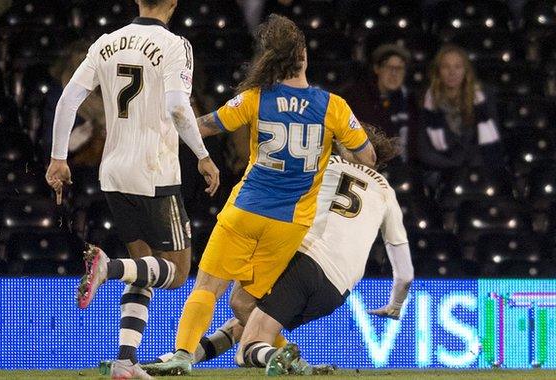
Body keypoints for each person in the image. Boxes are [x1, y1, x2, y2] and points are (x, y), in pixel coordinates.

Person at [142, 14, 376, 376]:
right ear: (303, 56)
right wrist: (336, 148)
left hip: (246, 211)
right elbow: (368, 157)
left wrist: (162, 118)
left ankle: (182, 356)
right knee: (244, 303)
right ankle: (289, 361)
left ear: (270, 58)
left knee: (208, 287)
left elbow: (203, 127)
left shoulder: (255, 98)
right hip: (289, 226)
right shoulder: (334, 107)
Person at [144, 124, 414, 375]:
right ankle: (176, 361)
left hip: (305, 259)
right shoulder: (386, 192)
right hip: (337, 291)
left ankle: (281, 358)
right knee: (247, 322)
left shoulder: (322, 164)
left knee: (245, 331)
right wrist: (395, 305)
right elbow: (405, 274)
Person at [45, 0, 220, 379]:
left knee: (144, 272)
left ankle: (125, 361)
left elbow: (68, 99)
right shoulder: (176, 46)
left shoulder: (106, 42)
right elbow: (177, 106)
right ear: (173, 3)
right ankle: (108, 266)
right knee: (175, 272)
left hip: (113, 172)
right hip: (154, 172)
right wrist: (203, 155)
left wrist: (59, 157)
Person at [418, 44, 504, 187]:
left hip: (477, 169)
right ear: (438, 71)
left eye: (458, 67)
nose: (452, 72)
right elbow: (423, 149)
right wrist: (453, 166)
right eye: (446, 67)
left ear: (465, 71)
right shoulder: (425, 101)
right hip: (441, 172)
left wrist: (467, 168)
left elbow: (490, 143)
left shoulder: (482, 98)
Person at [342, 44, 419, 165]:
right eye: (389, 67)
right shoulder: (356, 97)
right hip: (364, 166)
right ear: (377, 69)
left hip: (401, 169)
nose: (394, 73)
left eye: (399, 68)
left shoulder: (411, 102)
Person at [42, 40, 106, 168]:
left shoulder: (108, 90)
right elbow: (48, 149)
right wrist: (70, 144)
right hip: (74, 168)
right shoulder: (59, 96)